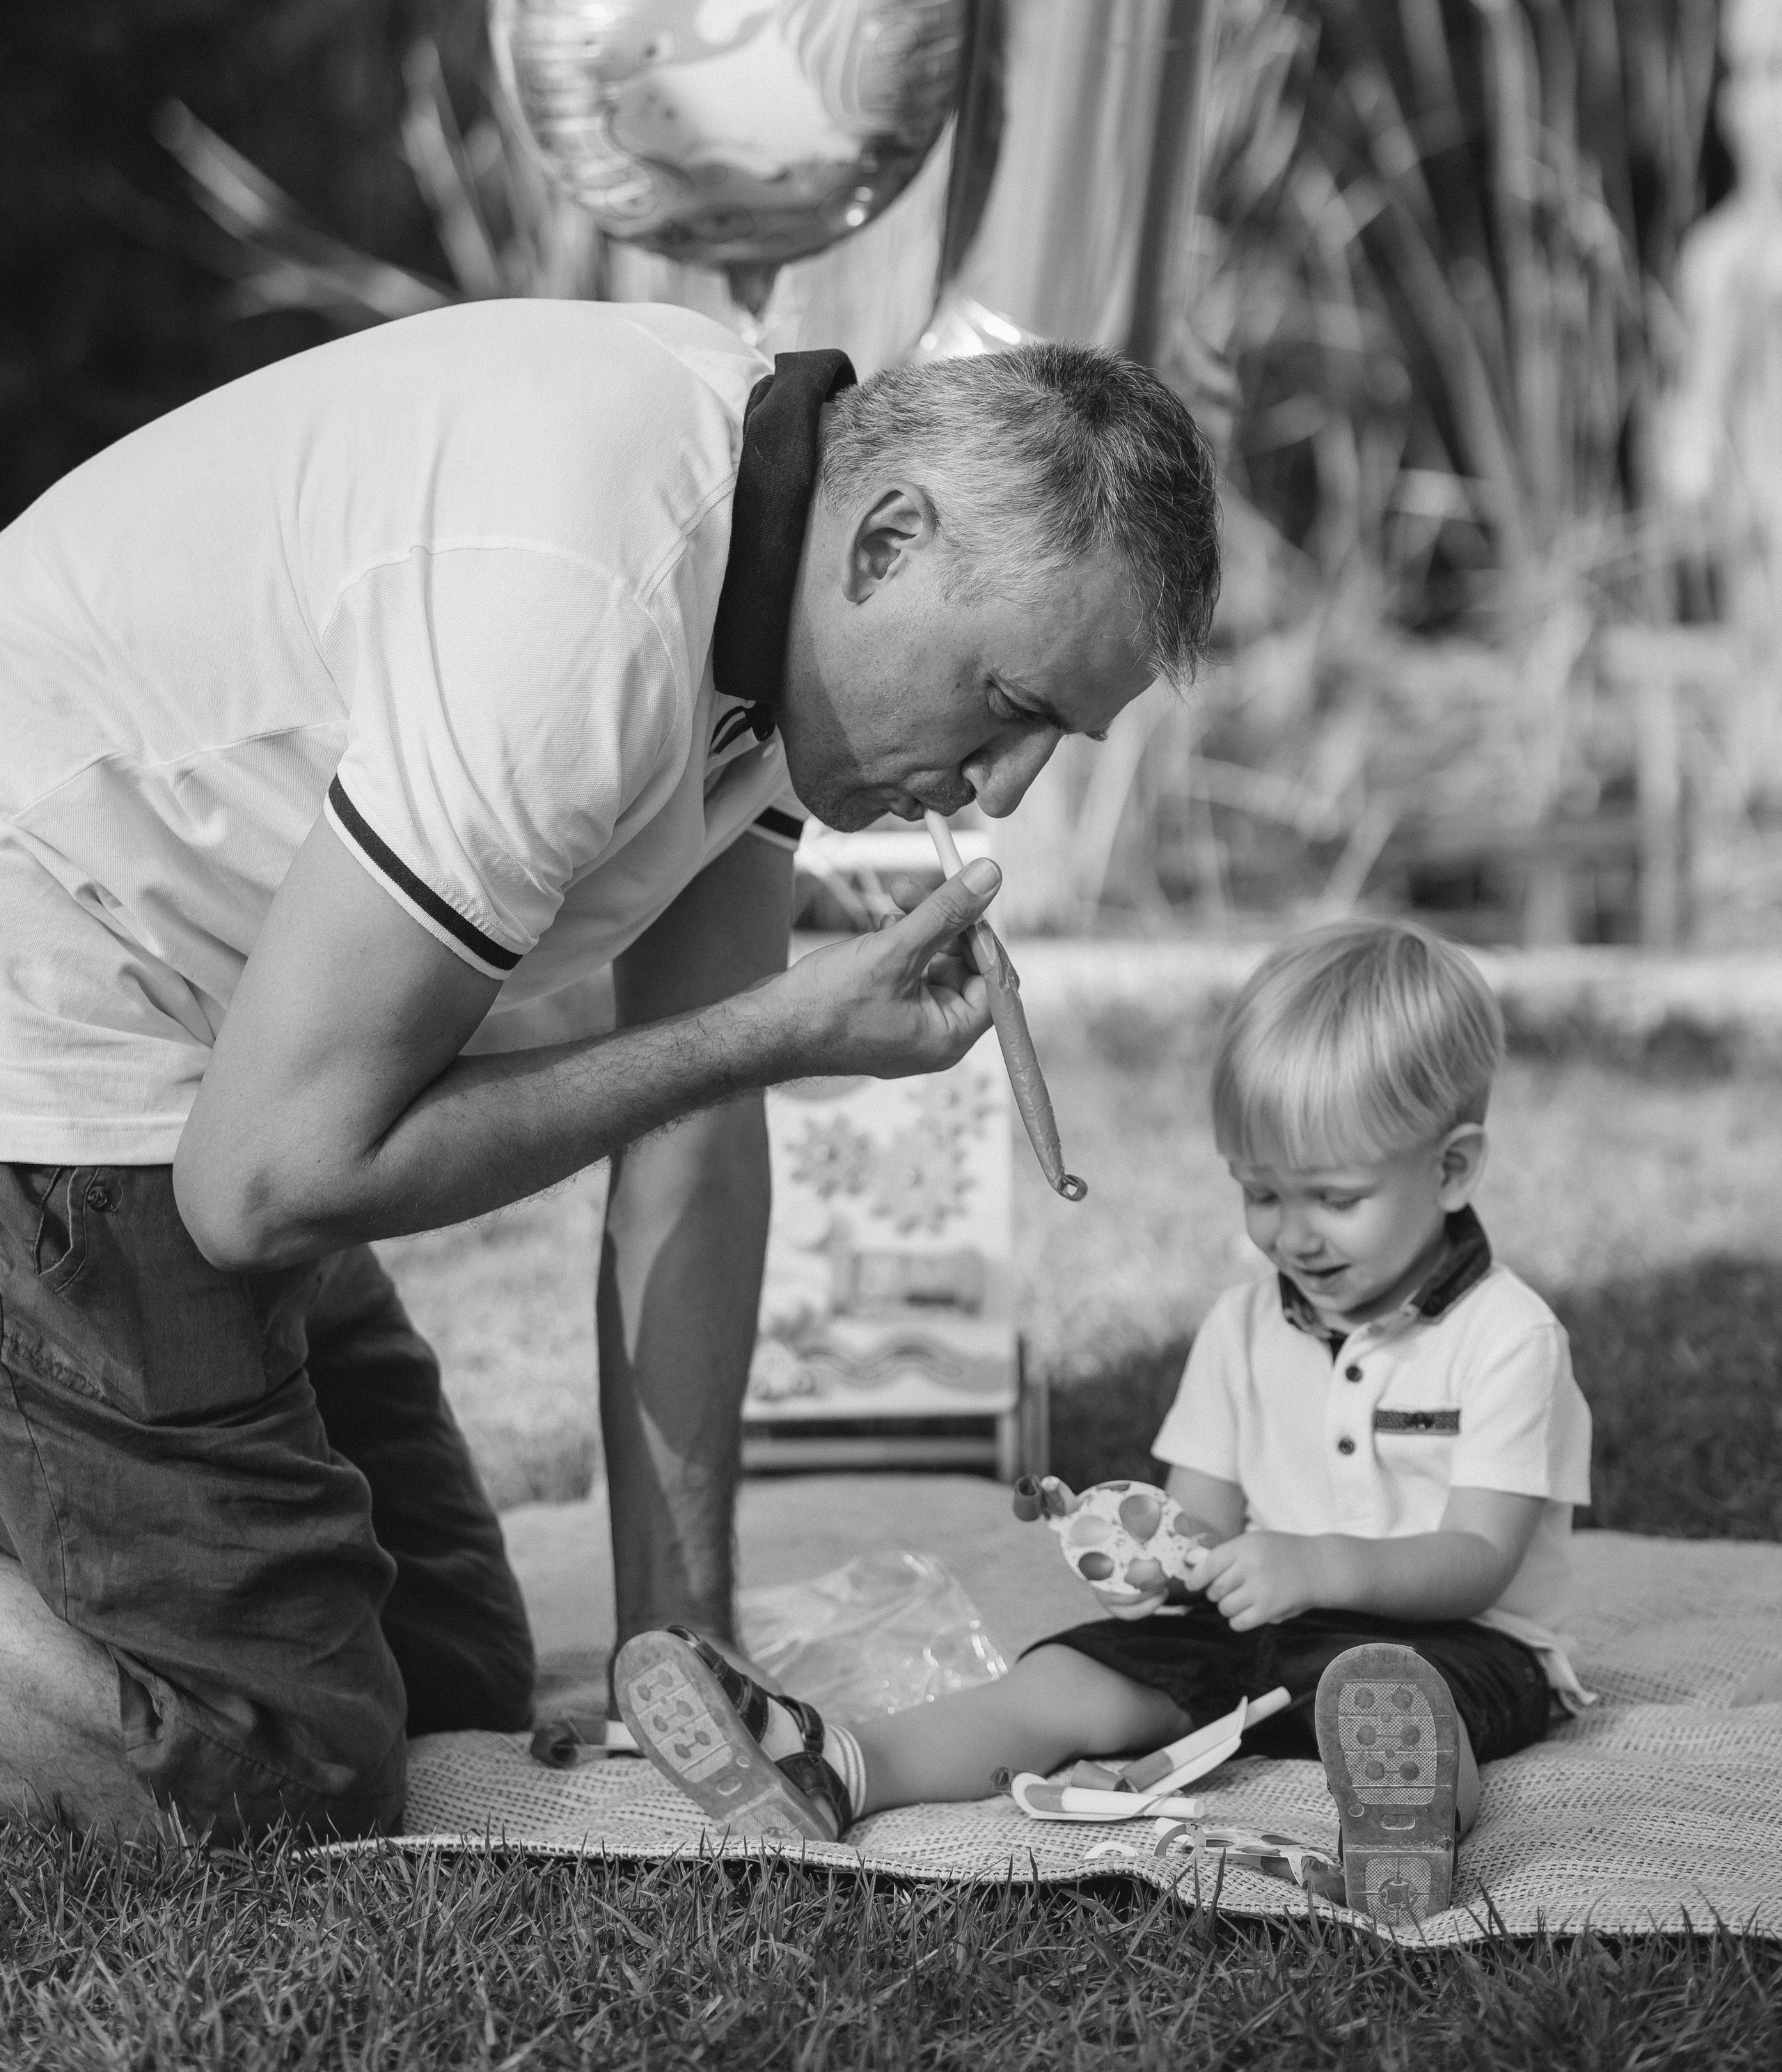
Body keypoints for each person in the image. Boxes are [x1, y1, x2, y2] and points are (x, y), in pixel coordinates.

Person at [0, 299, 1220, 1841]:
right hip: (57, 1019)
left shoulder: (775, 625)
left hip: (204, 1038)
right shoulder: (590, 610)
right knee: (281, 1767)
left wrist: (682, 1647)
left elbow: (690, 1135)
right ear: (888, 539)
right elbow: (262, 1186)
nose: (1003, 790)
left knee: (452, 1676)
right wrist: (779, 1032)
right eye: (1012, 706)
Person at [613, 919, 1594, 1929]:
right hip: (1266, 1628)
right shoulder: (1245, 1322)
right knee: (1070, 1679)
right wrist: (1156, 1559)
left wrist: (1322, 1567)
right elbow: (1202, 1519)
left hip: (1459, 1638)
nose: (1292, 1233)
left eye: (1335, 1199)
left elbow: (1480, 1554)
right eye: (1261, 1193)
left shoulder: (1509, 1335)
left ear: (1452, 1169)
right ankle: (836, 1768)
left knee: (1407, 1705)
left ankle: (1407, 1831)